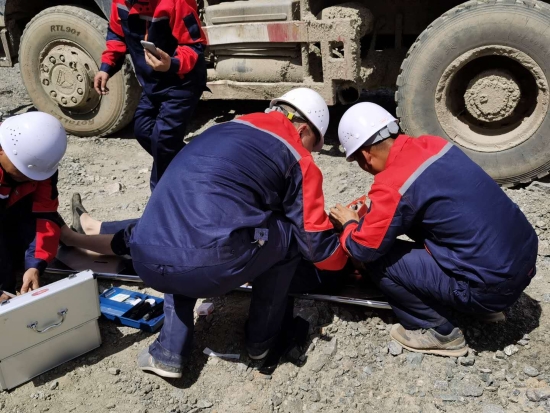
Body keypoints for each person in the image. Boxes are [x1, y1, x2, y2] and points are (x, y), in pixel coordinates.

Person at [61, 88, 348, 378]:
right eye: (314, 144)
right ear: (302, 129)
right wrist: (346, 254)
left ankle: (168, 353)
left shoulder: (220, 131)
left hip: (145, 256)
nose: (312, 153)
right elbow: (315, 246)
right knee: (288, 238)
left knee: (183, 231)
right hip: (207, 266)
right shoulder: (297, 157)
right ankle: (262, 343)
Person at [329, 102, 538, 357]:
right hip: (522, 261)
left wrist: (350, 224)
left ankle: (436, 331)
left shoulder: (393, 183)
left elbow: (363, 249)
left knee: (377, 259)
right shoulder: (434, 145)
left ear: (364, 157)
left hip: (491, 287)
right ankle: (483, 308)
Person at [95, 0, 208, 190]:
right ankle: (199, 168)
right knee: (142, 130)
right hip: (152, 84)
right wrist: (106, 67)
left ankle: (161, 193)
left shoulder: (175, 3)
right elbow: (116, 35)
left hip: (182, 82)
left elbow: (195, 46)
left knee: (163, 140)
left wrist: (171, 64)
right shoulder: (120, 3)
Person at [0, 112, 67, 303]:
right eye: (22, 173)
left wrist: (35, 265)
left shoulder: (39, 167)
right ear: (2, 150)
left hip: (8, 210)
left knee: (18, 257)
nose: (30, 178)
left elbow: (45, 214)